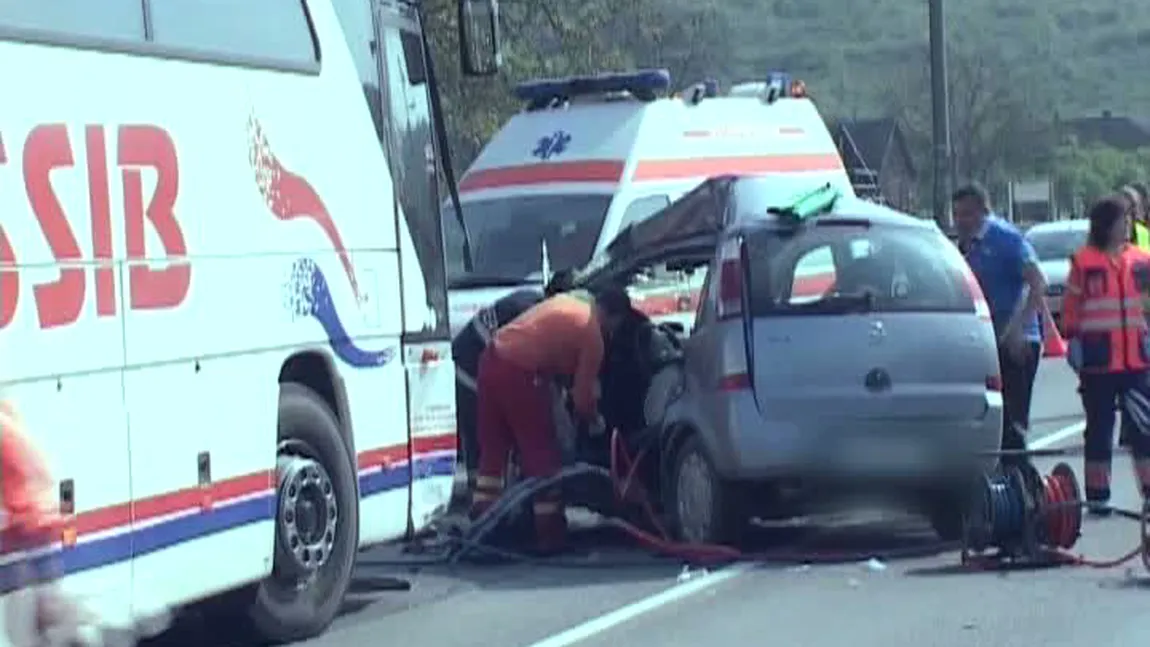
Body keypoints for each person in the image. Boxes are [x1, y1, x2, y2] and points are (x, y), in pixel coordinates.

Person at [468, 286, 632, 554]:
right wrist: (595, 421)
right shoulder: (594, 337)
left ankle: (482, 527)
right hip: (519, 372)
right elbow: (582, 399)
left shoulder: (568, 303)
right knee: (542, 455)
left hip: (490, 359)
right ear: (615, 318)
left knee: (493, 452)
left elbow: (551, 349)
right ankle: (550, 535)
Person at [1061, 196, 1150, 514]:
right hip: (1099, 362)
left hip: (1136, 361)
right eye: (1121, 220)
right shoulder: (1084, 262)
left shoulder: (1140, 260)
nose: (1126, 225)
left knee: (1143, 429)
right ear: (1105, 225)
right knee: (1099, 429)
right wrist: (1073, 341)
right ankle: (1098, 496)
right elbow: (1072, 308)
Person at [452, 270, 576, 493]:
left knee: (484, 444)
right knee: (492, 440)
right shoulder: (535, 313)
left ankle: (484, 499)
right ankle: (495, 499)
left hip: (466, 368)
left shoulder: (528, 299)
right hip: (474, 373)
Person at [952, 183, 1049, 458]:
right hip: (986, 342)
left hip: (1016, 341)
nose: (961, 221)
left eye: (967, 214)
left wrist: (1018, 329)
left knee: (1013, 423)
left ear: (984, 211)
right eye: (957, 214)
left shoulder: (1005, 238)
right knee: (992, 421)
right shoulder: (965, 246)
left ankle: (1024, 489)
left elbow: (1038, 281)